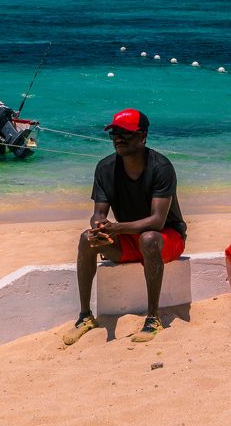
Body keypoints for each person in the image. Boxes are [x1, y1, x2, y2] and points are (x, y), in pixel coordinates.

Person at [63, 108, 187, 345]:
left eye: (125, 134)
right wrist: (100, 229)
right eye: (114, 134)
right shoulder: (105, 168)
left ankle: (153, 318)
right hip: (131, 238)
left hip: (166, 238)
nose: (118, 139)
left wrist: (117, 228)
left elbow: (158, 221)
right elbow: (99, 213)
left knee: (149, 238)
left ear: (142, 137)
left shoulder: (161, 167)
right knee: (86, 238)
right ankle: (85, 316)